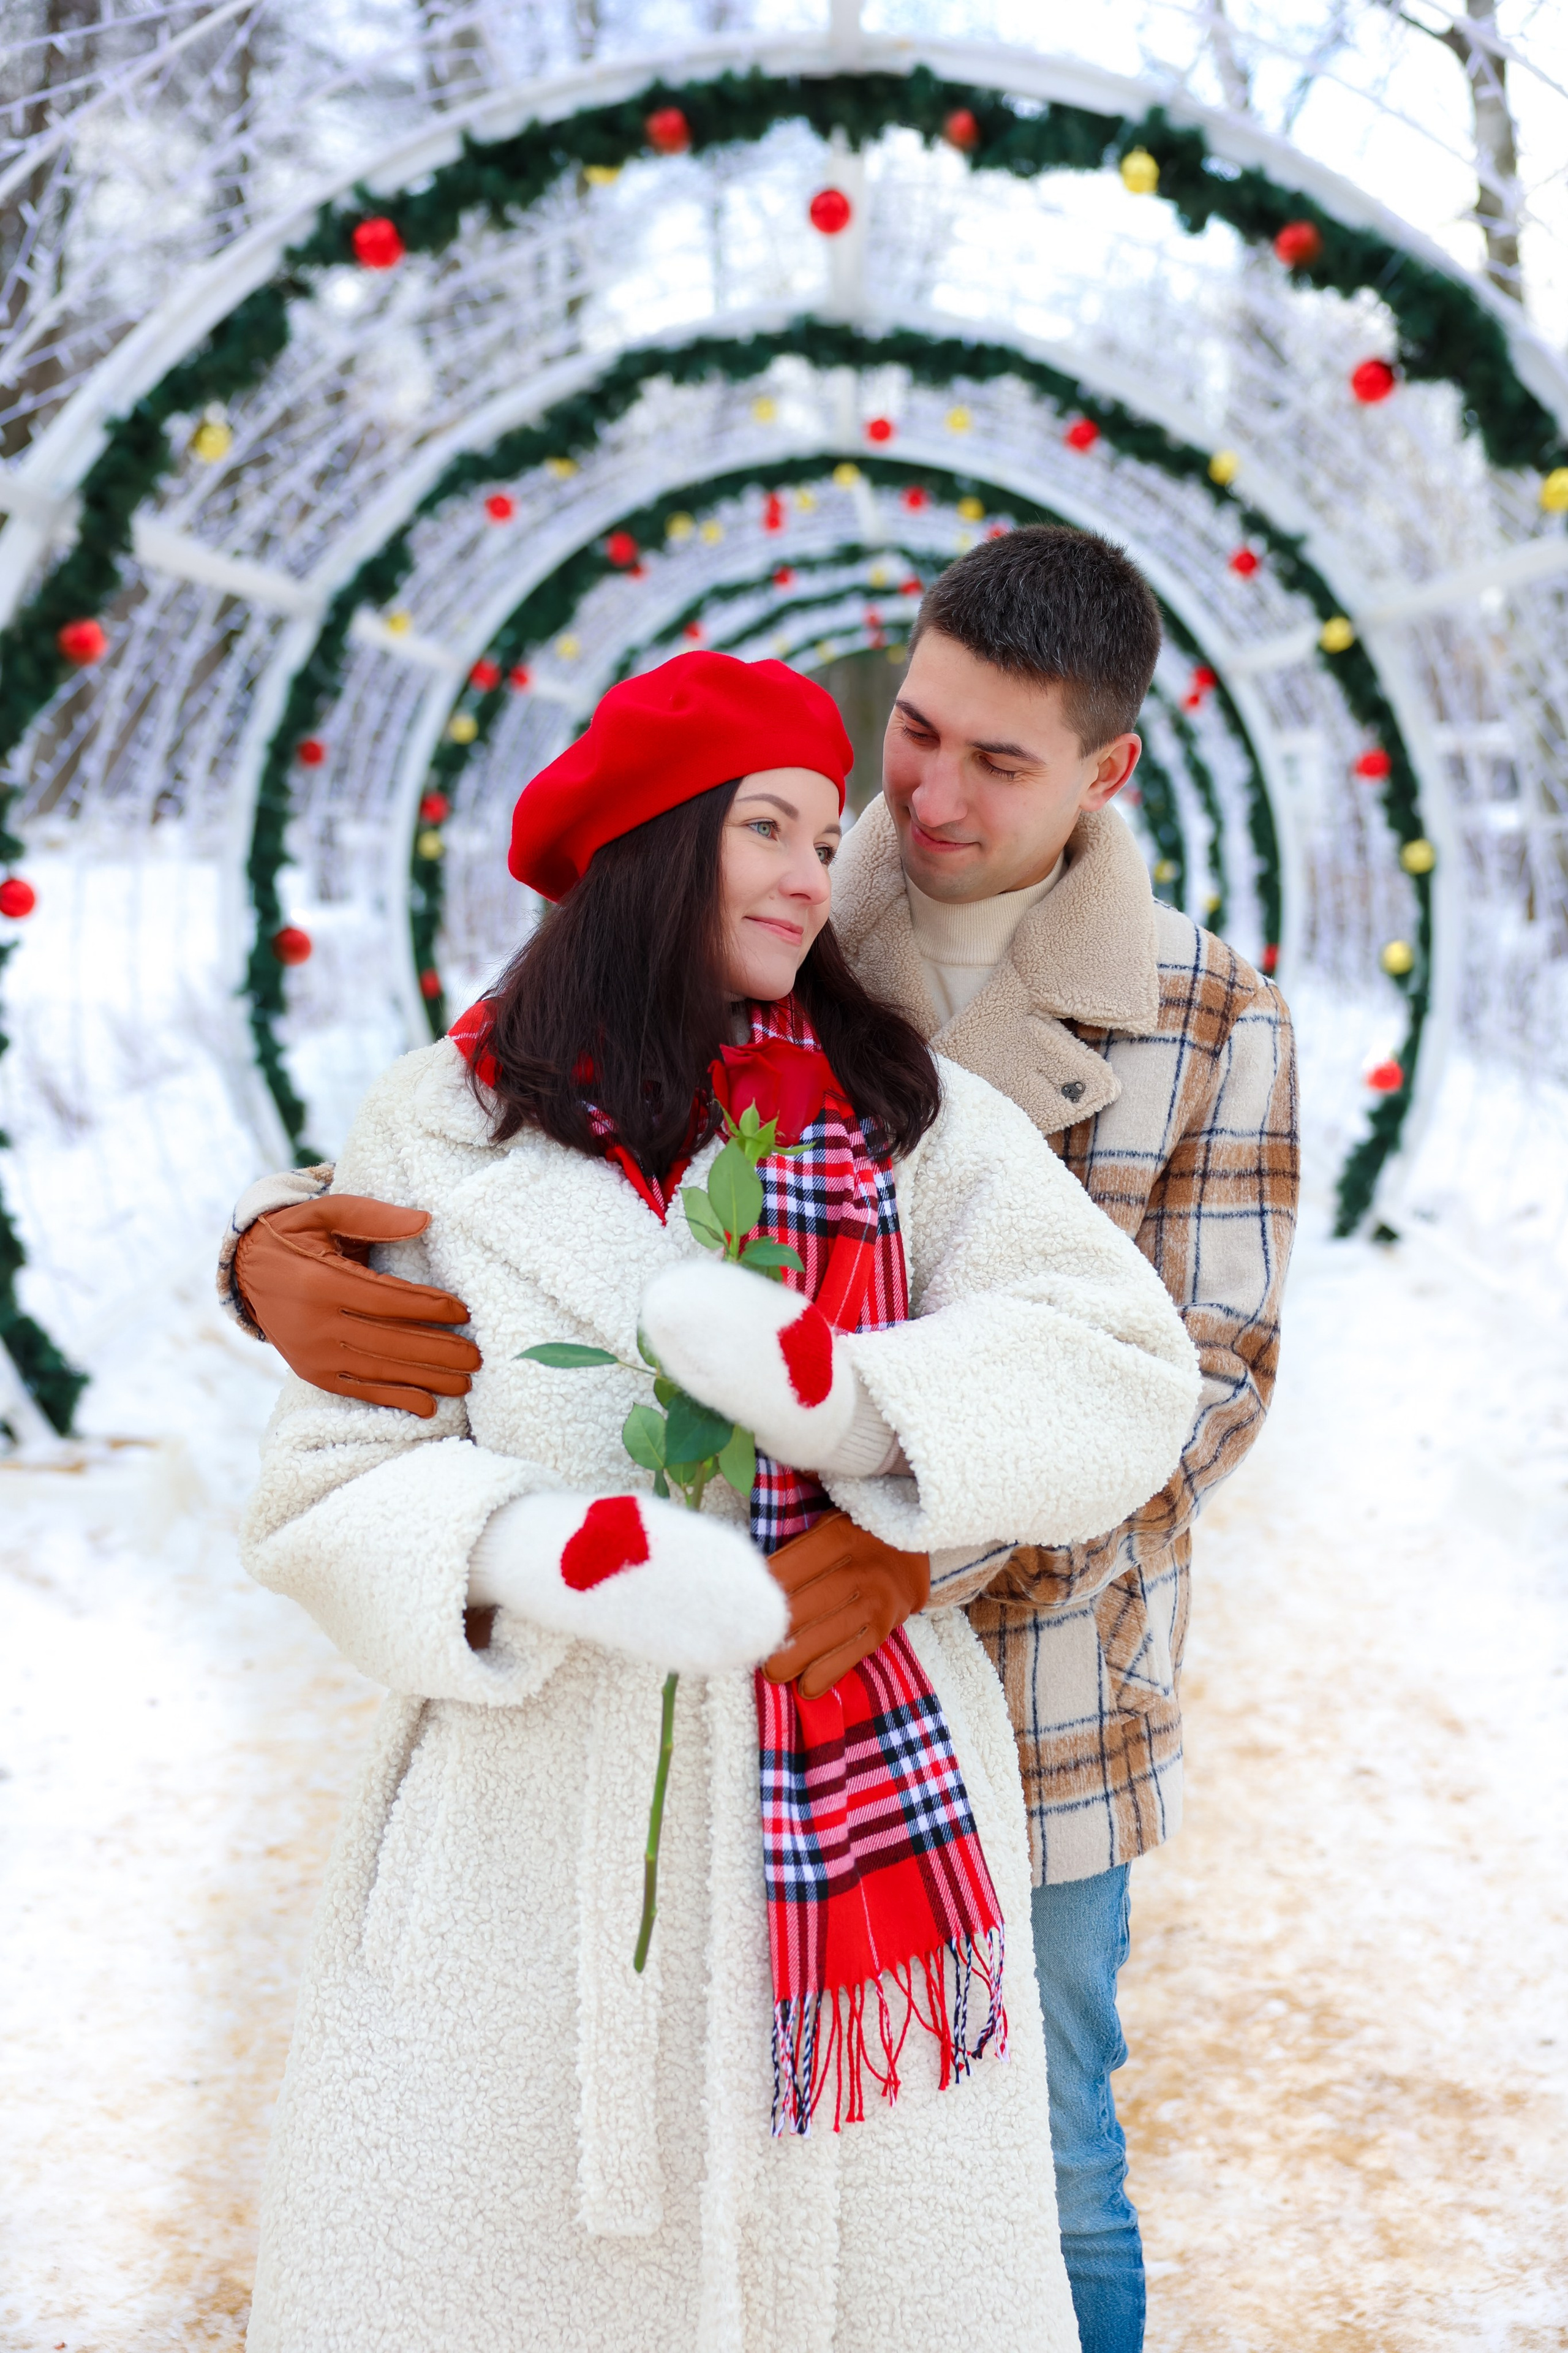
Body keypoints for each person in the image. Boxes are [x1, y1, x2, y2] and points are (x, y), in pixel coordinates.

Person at [225, 530, 1300, 2353]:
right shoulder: (775, 928)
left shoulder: (1168, 1032)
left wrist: (884, 1465)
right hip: (546, 1796)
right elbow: (398, 1251)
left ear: (1105, 775)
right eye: (910, 745)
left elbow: (1181, 1370)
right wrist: (272, 1260)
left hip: (975, 1707)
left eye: (1000, 762)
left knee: (1041, 2163)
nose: (915, 807)